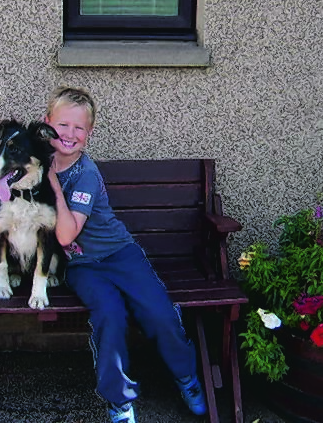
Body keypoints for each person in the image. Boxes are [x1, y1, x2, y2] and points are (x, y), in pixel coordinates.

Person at [44, 86, 207, 423]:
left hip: (120, 255)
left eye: (79, 128)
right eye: (62, 125)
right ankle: (119, 400)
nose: (69, 134)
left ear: (89, 133)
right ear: (47, 124)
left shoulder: (86, 174)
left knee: (158, 313)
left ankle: (187, 376)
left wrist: (53, 185)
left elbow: (65, 233)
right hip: (82, 266)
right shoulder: (38, 164)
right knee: (110, 316)